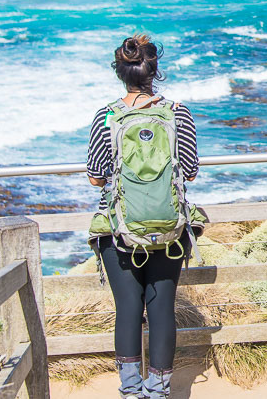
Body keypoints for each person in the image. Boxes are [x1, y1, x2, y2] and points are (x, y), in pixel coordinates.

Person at [86, 34, 200, 398]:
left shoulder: (106, 116)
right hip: (170, 228)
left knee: (128, 310)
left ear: (121, 73)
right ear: (155, 71)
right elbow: (191, 170)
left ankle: (131, 390)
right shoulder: (177, 112)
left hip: (119, 229)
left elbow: (95, 176)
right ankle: (159, 390)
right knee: (162, 307)